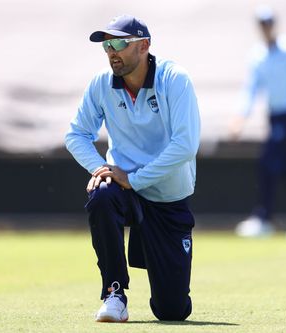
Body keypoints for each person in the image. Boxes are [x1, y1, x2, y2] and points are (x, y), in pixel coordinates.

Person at [65, 15, 201, 322]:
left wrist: (134, 179)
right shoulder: (102, 82)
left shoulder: (175, 79)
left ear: (144, 46)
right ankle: (114, 294)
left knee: (172, 311)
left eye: (119, 44)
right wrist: (100, 167)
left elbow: (185, 145)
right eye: (107, 45)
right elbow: (76, 135)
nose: (112, 51)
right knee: (101, 195)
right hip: (123, 190)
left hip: (167, 198)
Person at [230, 6, 286, 242]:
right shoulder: (258, 55)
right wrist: (241, 117)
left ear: (274, 25)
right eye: (262, 24)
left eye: (268, 23)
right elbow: (251, 88)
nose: (266, 28)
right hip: (273, 116)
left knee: (268, 162)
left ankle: (264, 217)